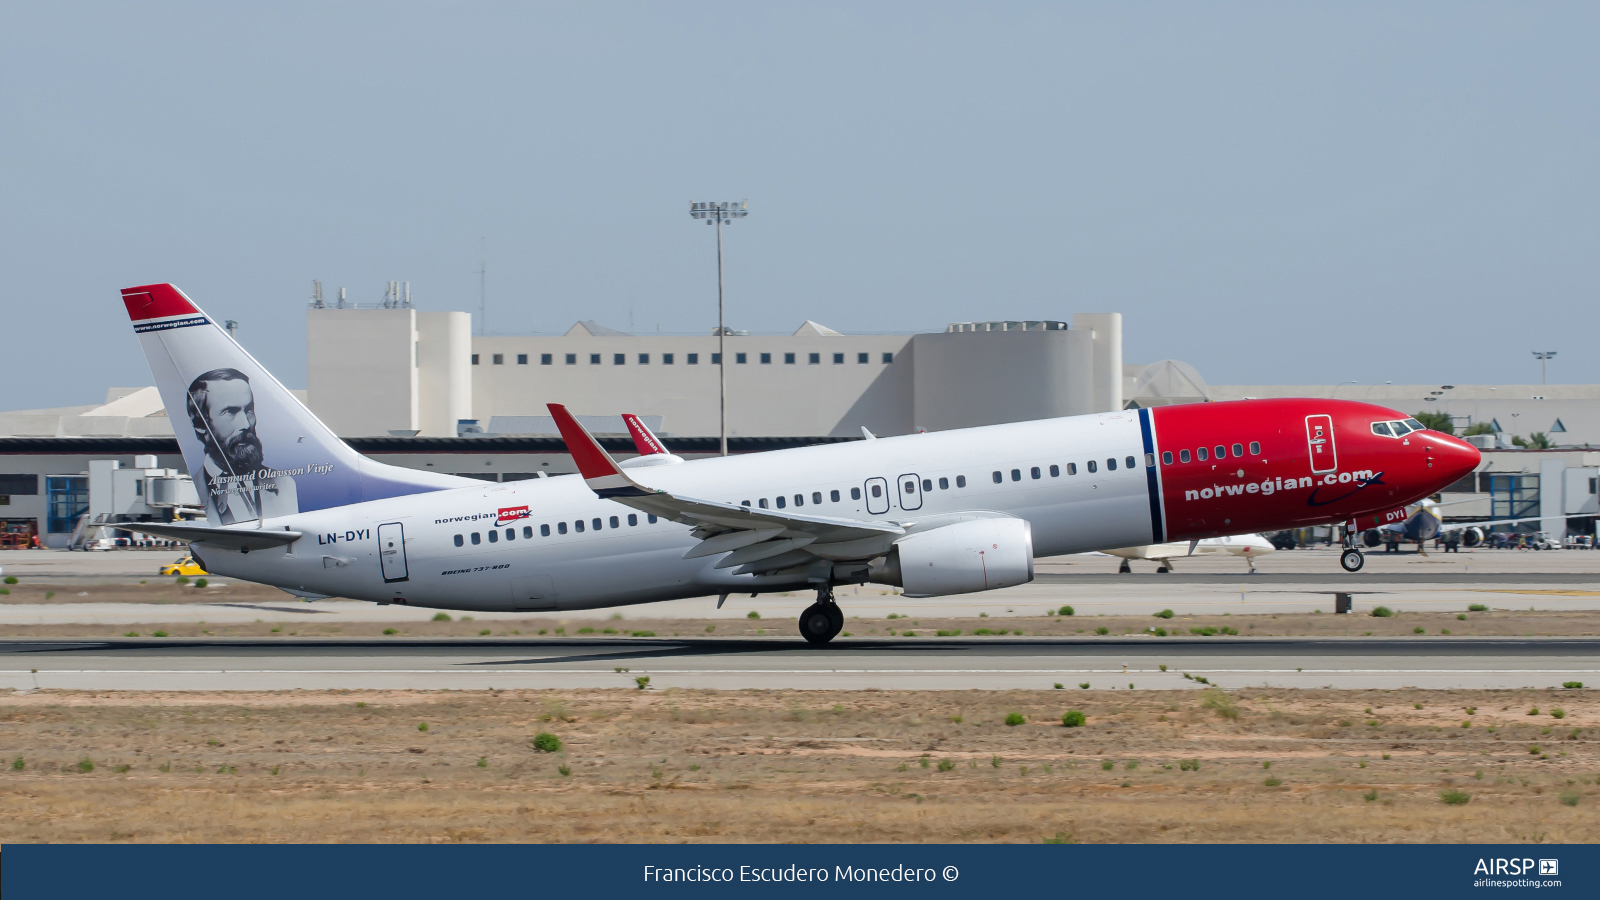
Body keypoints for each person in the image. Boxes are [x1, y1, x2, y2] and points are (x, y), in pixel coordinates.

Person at [185, 368, 298, 525]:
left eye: (249, 410)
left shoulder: (283, 483)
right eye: (230, 412)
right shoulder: (192, 492)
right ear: (200, 423)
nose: (246, 424)